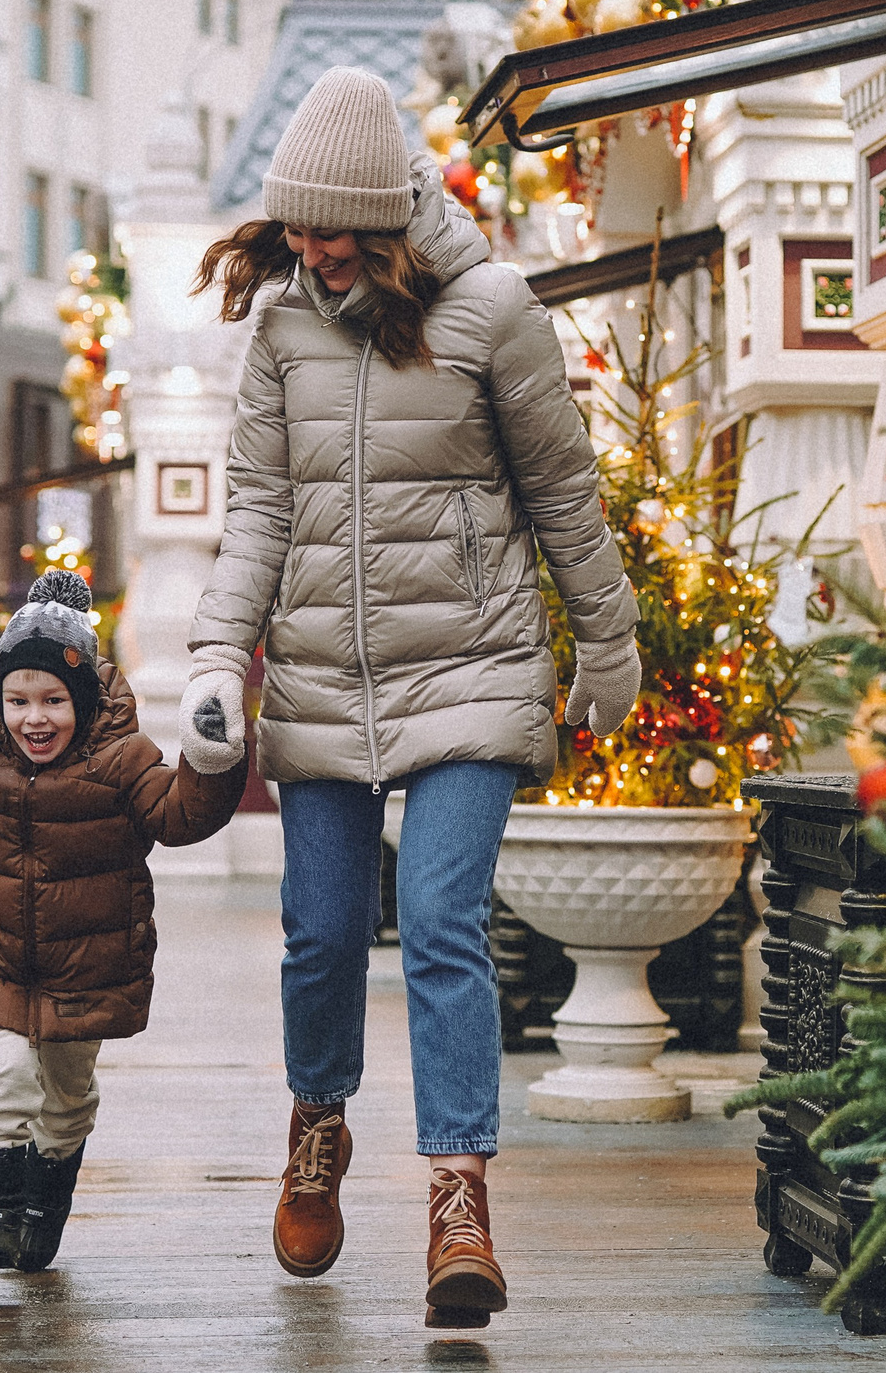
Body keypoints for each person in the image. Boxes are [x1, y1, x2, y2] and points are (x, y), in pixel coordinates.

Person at [180, 67, 640, 1328]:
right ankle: (317, 1125)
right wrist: (218, 659)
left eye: (333, 230)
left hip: (473, 668)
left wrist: (608, 648)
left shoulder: (492, 311)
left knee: (439, 925)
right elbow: (260, 517)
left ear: (388, 217)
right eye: (298, 229)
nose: (313, 250)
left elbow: (562, 495)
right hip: (324, 676)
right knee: (322, 936)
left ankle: (457, 1200)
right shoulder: (281, 327)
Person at [0, 569, 246, 1271]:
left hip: (86, 967)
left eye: (54, 700)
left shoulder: (121, 761)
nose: (35, 717)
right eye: (18, 699)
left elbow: (179, 811)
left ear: (85, 699)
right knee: (1, 1073)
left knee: (66, 1094)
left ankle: (47, 1194)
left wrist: (210, 755)